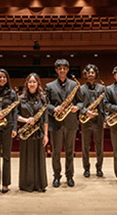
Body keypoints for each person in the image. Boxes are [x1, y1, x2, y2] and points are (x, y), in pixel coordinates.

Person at [45, 59, 79, 188]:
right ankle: (57, 177)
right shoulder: (49, 86)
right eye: (60, 68)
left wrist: (77, 107)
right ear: (56, 70)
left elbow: (80, 102)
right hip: (56, 123)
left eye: (64, 68)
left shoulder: (74, 85)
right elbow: (45, 104)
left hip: (70, 122)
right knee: (56, 152)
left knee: (70, 151)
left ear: (68, 70)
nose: (62, 70)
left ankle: (70, 176)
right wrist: (54, 108)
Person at [17, 73, 48, 192]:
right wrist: (26, 120)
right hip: (25, 133)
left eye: (34, 82)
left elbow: (45, 119)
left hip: (38, 132)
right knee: (26, 158)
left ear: (38, 84)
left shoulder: (43, 99)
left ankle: (40, 185)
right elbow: (15, 116)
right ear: (27, 84)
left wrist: (46, 135)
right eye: (30, 82)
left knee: (39, 158)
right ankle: (27, 185)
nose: (32, 84)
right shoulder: (20, 98)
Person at [76, 64, 105, 178]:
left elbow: (104, 105)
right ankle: (86, 169)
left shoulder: (101, 88)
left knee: (99, 146)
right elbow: (78, 104)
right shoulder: (81, 89)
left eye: (93, 72)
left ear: (95, 74)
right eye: (89, 72)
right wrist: (85, 111)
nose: (91, 74)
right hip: (85, 120)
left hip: (98, 120)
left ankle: (99, 168)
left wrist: (104, 119)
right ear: (86, 75)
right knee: (85, 146)